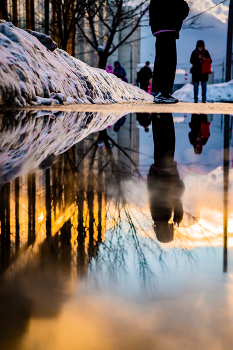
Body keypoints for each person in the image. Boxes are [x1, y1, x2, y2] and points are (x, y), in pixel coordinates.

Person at [147, 113, 185, 243]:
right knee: (161, 140)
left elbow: (167, 192)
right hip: (161, 170)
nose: (173, 230)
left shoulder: (161, 216)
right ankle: (159, 114)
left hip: (163, 170)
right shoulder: (159, 217)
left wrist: (178, 209)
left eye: (171, 232)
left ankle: (162, 114)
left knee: (166, 139)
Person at [149, 0, 190, 104]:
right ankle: (163, 93)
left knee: (160, 61)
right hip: (169, 28)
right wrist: (177, 20)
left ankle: (159, 92)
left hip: (158, 29)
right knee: (168, 62)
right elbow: (184, 7)